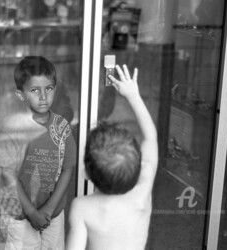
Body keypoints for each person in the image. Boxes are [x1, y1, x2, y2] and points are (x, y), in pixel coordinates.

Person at [66, 64, 158, 250]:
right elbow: (150, 137)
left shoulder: (82, 208)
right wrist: (133, 95)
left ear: (85, 173)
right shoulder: (142, 194)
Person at [0, 56, 77, 250]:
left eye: (48, 88)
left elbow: (67, 169)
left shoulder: (61, 127)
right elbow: (7, 173)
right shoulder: (13, 127)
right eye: (34, 90)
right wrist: (31, 212)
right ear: (21, 95)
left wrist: (48, 209)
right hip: (21, 217)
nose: (43, 96)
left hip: (53, 216)